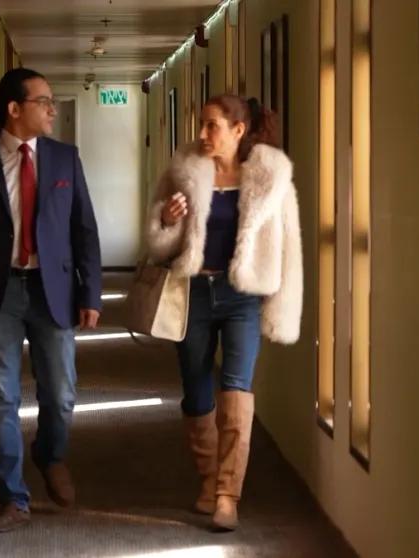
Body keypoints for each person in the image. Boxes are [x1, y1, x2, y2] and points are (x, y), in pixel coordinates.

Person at [0, 67, 102, 533]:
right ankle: (12, 497)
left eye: (52, 101)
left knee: (61, 394)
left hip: (54, 291)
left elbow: (84, 229)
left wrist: (91, 292)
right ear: (14, 109)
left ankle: (49, 454)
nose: (52, 109)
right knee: (2, 400)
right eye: (43, 101)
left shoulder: (64, 158)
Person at [144, 95, 302, 531]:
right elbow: (156, 241)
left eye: (212, 125)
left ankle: (228, 495)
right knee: (196, 392)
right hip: (193, 292)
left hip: (241, 298)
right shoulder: (183, 169)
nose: (202, 134)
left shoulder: (270, 177)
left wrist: (283, 305)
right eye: (201, 124)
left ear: (238, 130)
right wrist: (167, 219)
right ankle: (209, 479)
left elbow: (289, 247)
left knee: (236, 390)